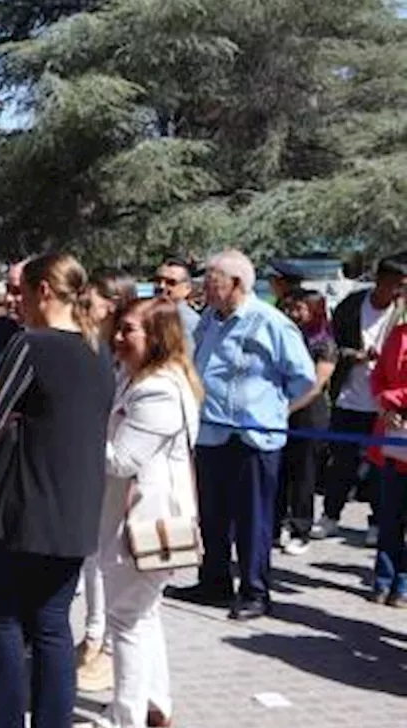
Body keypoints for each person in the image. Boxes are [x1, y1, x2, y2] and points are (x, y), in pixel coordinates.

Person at [0, 251, 114, 728]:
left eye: (22, 293)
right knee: (52, 630)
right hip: (74, 515)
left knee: (2, 623)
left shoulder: (30, 346)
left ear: (45, 290)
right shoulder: (99, 353)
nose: (16, 303)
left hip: (18, 511)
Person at [73, 298, 201, 728]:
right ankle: (155, 701)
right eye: (120, 329)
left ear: (158, 337)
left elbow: (122, 460)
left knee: (125, 618)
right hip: (142, 515)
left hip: (144, 521)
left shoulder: (158, 390)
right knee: (144, 614)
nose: (119, 337)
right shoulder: (143, 379)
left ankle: (125, 718)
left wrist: (74, 433)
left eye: (129, 330)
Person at [170, 250, 315, 621]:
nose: (206, 288)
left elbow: (304, 378)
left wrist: (275, 410)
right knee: (213, 514)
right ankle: (214, 581)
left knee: (254, 519)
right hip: (212, 435)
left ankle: (254, 591)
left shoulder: (271, 323)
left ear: (236, 283)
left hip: (253, 438)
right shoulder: (209, 321)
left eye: (213, 281)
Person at [316, 253, 407, 544]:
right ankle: (330, 516)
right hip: (350, 397)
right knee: (341, 463)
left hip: (385, 406)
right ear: (381, 281)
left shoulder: (401, 311)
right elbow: (330, 345)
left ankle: (377, 522)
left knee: (382, 467)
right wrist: (356, 356)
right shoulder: (352, 306)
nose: (399, 292)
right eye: (396, 285)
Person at [77, 269, 136, 692]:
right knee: (93, 557)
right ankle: (94, 635)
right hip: (97, 466)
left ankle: (110, 646)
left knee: (116, 562)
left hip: (124, 470)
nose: (84, 307)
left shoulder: (131, 358)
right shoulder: (95, 347)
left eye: (93, 300)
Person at [275, 290, 337, 555]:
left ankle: (301, 529)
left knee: (304, 474)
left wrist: (287, 408)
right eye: (291, 308)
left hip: (309, 415)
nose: (294, 314)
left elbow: (315, 385)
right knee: (279, 471)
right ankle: (275, 524)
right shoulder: (287, 336)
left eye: (300, 308)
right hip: (281, 411)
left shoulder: (324, 343)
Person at [366, 304, 407, 607]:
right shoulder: (397, 335)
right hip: (393, 441)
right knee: (389, 516)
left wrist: (394, 399)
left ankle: (403, 584)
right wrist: (383, 401)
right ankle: (383, 579)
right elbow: (379, 375)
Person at [153, 259, 201, 342]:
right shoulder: (147, 315)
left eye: (171, 282)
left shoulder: (189, 322)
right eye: (158, 280)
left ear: (187, 288)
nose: (161, 286)